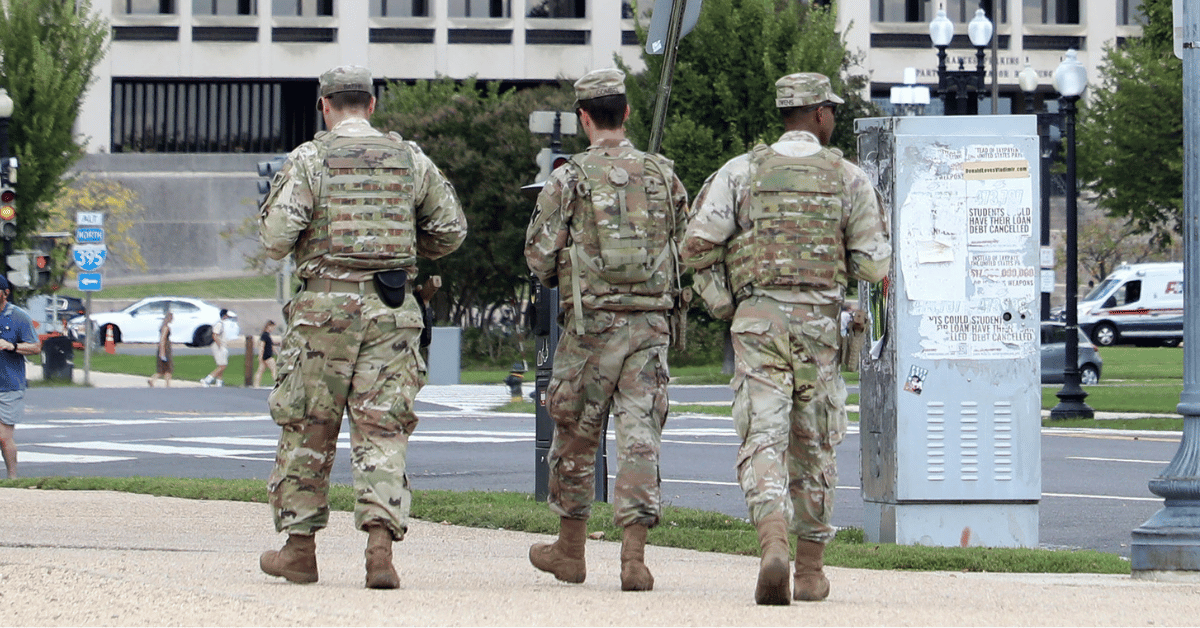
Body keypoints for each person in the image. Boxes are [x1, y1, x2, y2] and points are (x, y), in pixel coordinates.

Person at [681, 72, 891, 604]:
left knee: (762, 439)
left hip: (758, 322)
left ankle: (773, 537)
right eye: (833, 111)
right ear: (820, 115)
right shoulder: (848, 178)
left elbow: (696, 246)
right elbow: (872, 264)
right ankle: (811, 571)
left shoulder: (740, 172)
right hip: (819, 325)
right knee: (816, 443)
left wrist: (724, 302)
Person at [258, 64, 467, 589]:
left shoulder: (310, 158)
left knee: (308, 426)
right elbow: (451, 229)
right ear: (371, 105)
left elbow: (276, 237)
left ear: (324, 106)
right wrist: (406, 253)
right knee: (383, 429)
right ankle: (379, 550)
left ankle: (300, 550)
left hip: (324, 311)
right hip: (392, 311)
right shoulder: (410, 159)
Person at [524, 67, 689, 592]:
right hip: (649, 327)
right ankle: (634, 560)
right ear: (628, 113)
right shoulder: (663, 174)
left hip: (590, 329)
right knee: (640, 439)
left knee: (575, 434)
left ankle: (570, 551)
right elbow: (686, 246)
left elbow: (538, 253)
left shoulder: (568, 177)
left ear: (583, 118)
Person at [0, 275, 42, 479]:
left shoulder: (18, 316)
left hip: (8, 385)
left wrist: (12, 346)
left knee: (4, 437)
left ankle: (12, 477)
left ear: (5, 293)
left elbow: (35, 347)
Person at [200, 309, 231, 387]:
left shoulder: (222, 324)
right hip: (218, 347)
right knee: (223, 365)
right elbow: (215, 335)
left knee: (221, 364)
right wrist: (220, 346)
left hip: (221, 346)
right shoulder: (219, 324)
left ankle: (219, 381)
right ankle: (207, 379)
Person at [147, 311, 173, 388]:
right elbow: (162, 340)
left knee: (163, 369)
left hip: (165, 347)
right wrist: (162, 352)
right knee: (167, 368)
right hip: (165, 348)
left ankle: (153, 380)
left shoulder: (163, 326)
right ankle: (167, 384)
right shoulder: (165, 328)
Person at [253, 320, 278, 388]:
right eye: (272, 327)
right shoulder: (265, 335)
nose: (273, 329)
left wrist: (277, 353)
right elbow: (261, 346)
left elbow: (272, 346)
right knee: (274, 369)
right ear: (268, 326)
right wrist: (260, 356)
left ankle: (256, 385)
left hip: (266, 355)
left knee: (260, 370)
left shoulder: (267, 336)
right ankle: (277, 384)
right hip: (267, 356)